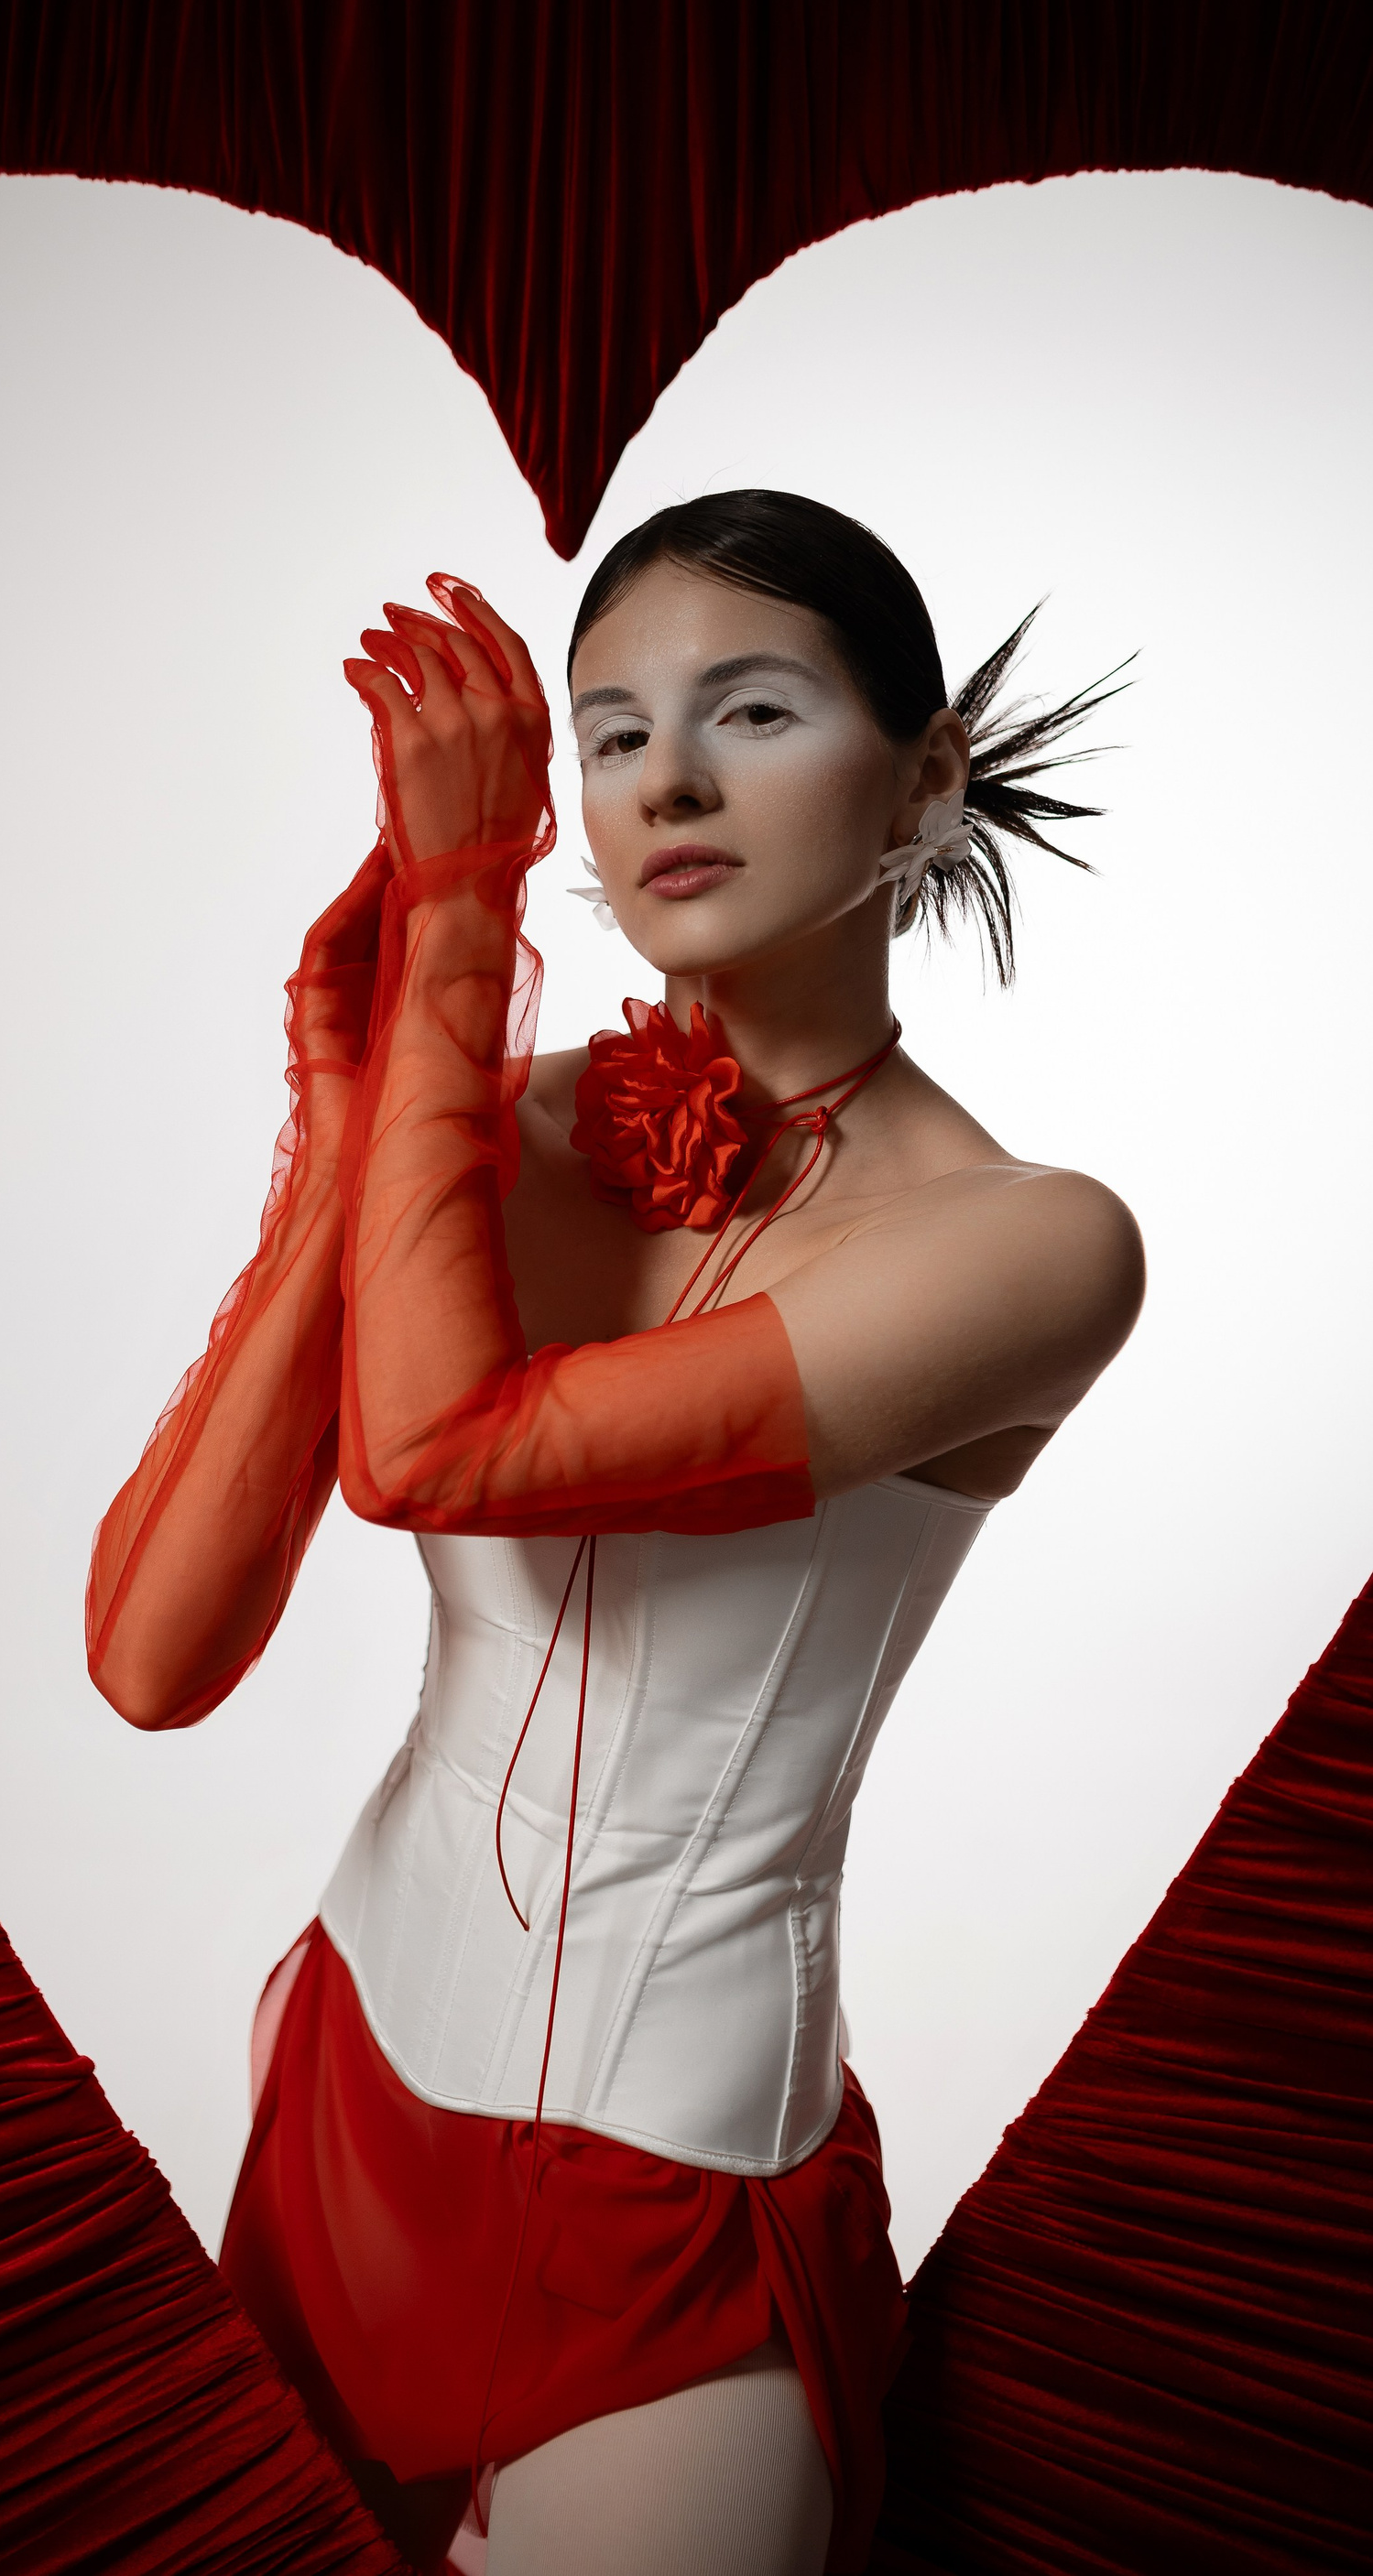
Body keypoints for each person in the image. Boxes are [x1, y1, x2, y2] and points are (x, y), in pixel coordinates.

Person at [85, 492, 1145, 2575]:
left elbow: (441, 1453)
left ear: (924, 773)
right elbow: (151, 1657)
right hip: (349, 2082)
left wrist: (461, 918)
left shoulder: (1033, 1247)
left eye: (752, 710)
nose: (666, 780)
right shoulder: (499, 1129)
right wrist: (358, 1115)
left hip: (678, 2197)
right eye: (611, 730)